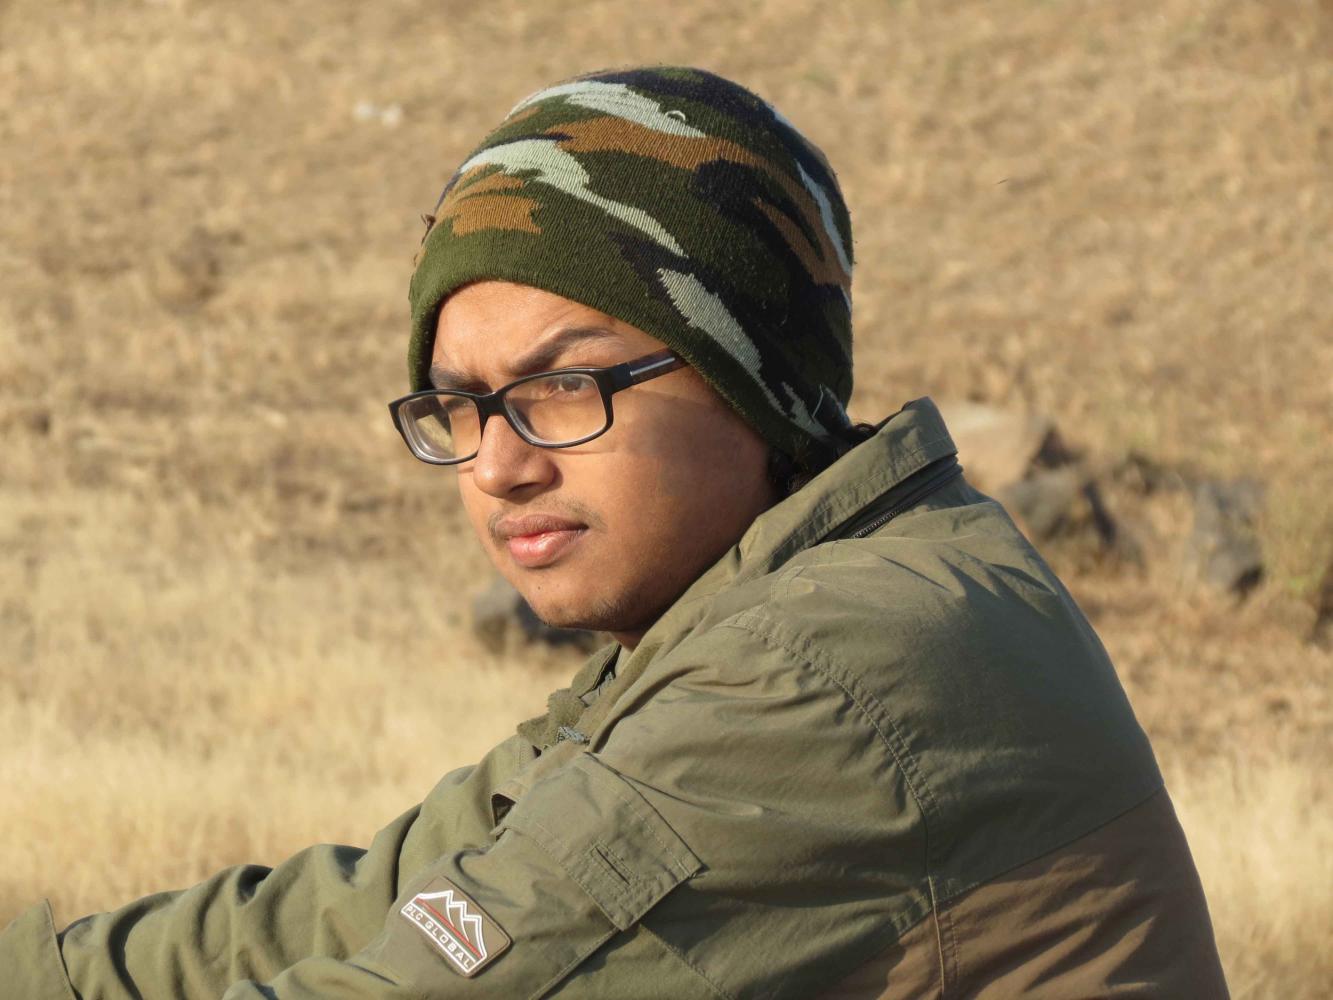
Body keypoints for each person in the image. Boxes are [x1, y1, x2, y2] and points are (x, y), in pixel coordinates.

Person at [1, 65, 1228, 998]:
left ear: (745, 376)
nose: (500, 465)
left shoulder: (822, 671)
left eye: (563, 386)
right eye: (460, 405)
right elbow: (387, 900)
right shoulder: (760, 605)